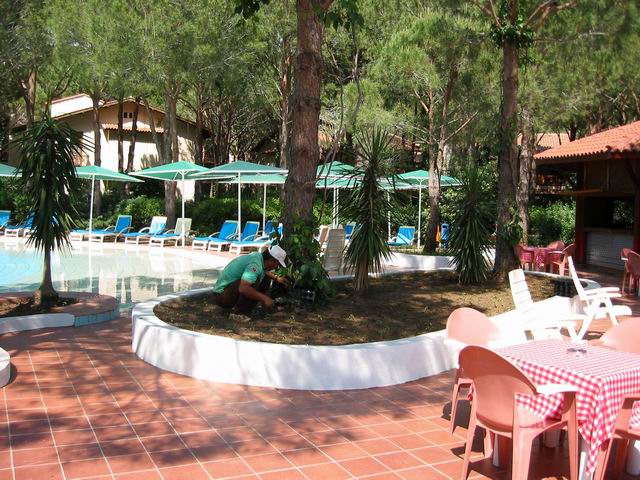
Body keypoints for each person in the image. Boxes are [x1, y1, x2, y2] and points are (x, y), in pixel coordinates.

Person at [212, 245, 288, 314]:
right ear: (271, 260)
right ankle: (239, 312)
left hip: (227, 292)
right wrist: (264, 298)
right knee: (252, 281)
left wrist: (276, 278)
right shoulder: (255, 264)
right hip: (221, 296)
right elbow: (243, 288)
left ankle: (246, 309)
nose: (276, 267)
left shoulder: (259, 257)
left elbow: (263, 271)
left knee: (265, 278)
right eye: (277, 264)